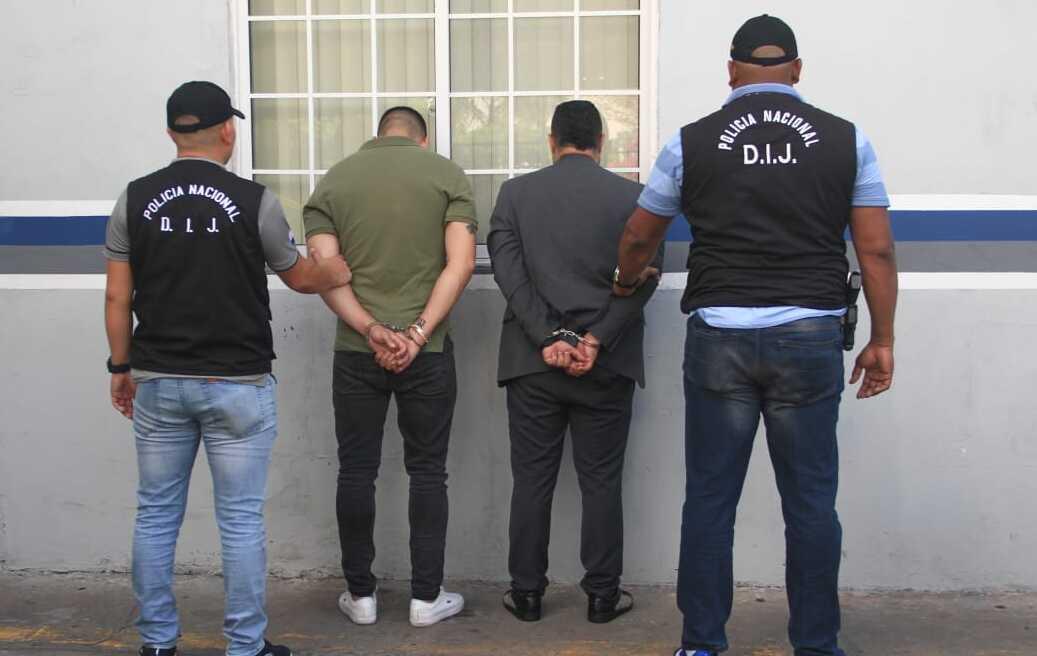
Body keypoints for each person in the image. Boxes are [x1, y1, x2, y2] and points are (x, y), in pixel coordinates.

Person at [614, 15, 899, 656]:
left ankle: (701, 644)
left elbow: (638, 235)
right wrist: (882, 338)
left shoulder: (689, 142)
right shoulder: (847, 140)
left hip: (721, 337)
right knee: (811, 503)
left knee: (710, 499)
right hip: (810, 335)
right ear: (796, 70)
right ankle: (817, 645)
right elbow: (876, 249)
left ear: (731, 72)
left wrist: (626, 280)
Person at [104, 81, 353, 656]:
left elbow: (117, 298)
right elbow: (299, 276)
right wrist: (335, 272)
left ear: (172, 132)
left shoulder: (133, 200)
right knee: (240, 521)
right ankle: (245, 646)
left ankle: (157, 643)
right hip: (237, 383)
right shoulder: (254, 200)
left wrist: (121, 365)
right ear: (226, 131)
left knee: (156, 515)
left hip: (158, 380)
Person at [487, 100, 663, 624]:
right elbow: (645, 277)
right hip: (605, 366)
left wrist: (547, 337)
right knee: (602, 481)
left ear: (552, 140)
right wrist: (596, 339)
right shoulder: (635, 199)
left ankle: (527, 594)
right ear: (601, 142)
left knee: (531, 480)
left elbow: (509, 274)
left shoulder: (515, 195)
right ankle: (603, 596)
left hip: (532, 364)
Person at [303, 106, 477, 628]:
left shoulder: (333, 183)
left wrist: (371, 329)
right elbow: (462, 263)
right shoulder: (446, 175)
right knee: (428, 472)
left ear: (377, 137)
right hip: (429, 350)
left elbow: (327, 271)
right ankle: (426, 599)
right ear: (422, 140)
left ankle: (361, 596)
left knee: (357, 470)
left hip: (358, 351)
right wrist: (417, 334)